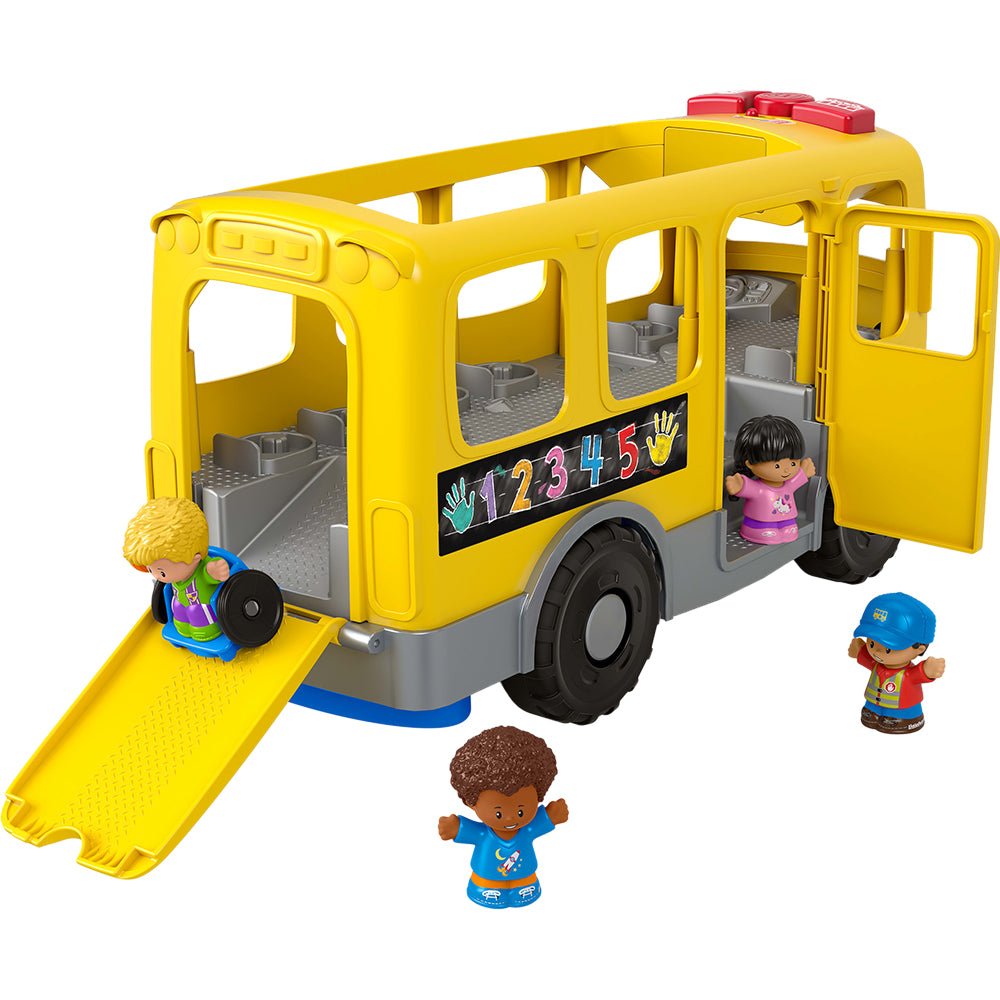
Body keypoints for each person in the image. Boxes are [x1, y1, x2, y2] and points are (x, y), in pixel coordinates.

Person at [439, 726, 568, 909]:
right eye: (498, 813)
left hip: (526, 876)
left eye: (521, 812)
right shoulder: (483, 834)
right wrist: (455, 827)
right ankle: (490, 889)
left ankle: (521, 889)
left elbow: (543, 820)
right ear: (471, 803)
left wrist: (552, 815)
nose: (509, 819)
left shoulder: (527, 829)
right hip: (486, 878)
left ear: (538, 797)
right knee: (488, 888)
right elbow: (466, 830)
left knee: (524, 886)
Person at [123, 497, 230, 641]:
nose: (157, 576)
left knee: (196, 611)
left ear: (195, 559)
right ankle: (182, 627)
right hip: (181, 604)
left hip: (202, 609)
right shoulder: (177, 575)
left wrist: (215, 571)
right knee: (178, 606)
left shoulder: (202, 568)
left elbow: (211, 571)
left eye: (161, 572)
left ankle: (205, 631)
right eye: (150, 570)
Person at [848, 592, 945, 734]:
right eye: (872, 643)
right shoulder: (876, 664)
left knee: (898, 715)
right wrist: (860, 651)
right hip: (872, 704)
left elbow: (919, 673)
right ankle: (873, 711)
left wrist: (928, 670)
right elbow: (868, 659)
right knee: (871, 711)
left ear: (919, 649)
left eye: (888, 648)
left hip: (904, 711)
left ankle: (899, 716)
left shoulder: (907, 674)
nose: (876, 652)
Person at [725, 414, 816, 544]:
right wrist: (739, 485)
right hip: (759, 523)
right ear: (750, 463)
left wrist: (804, 472)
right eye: (777, 465)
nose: (786, 470)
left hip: (787, 519)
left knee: (789, 529)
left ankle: (785, 526)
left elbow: (796, 481)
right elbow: (746, 487)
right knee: (767, 532)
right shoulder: (758, 489)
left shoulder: (787, 484)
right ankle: (761, 529)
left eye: (792, 463)